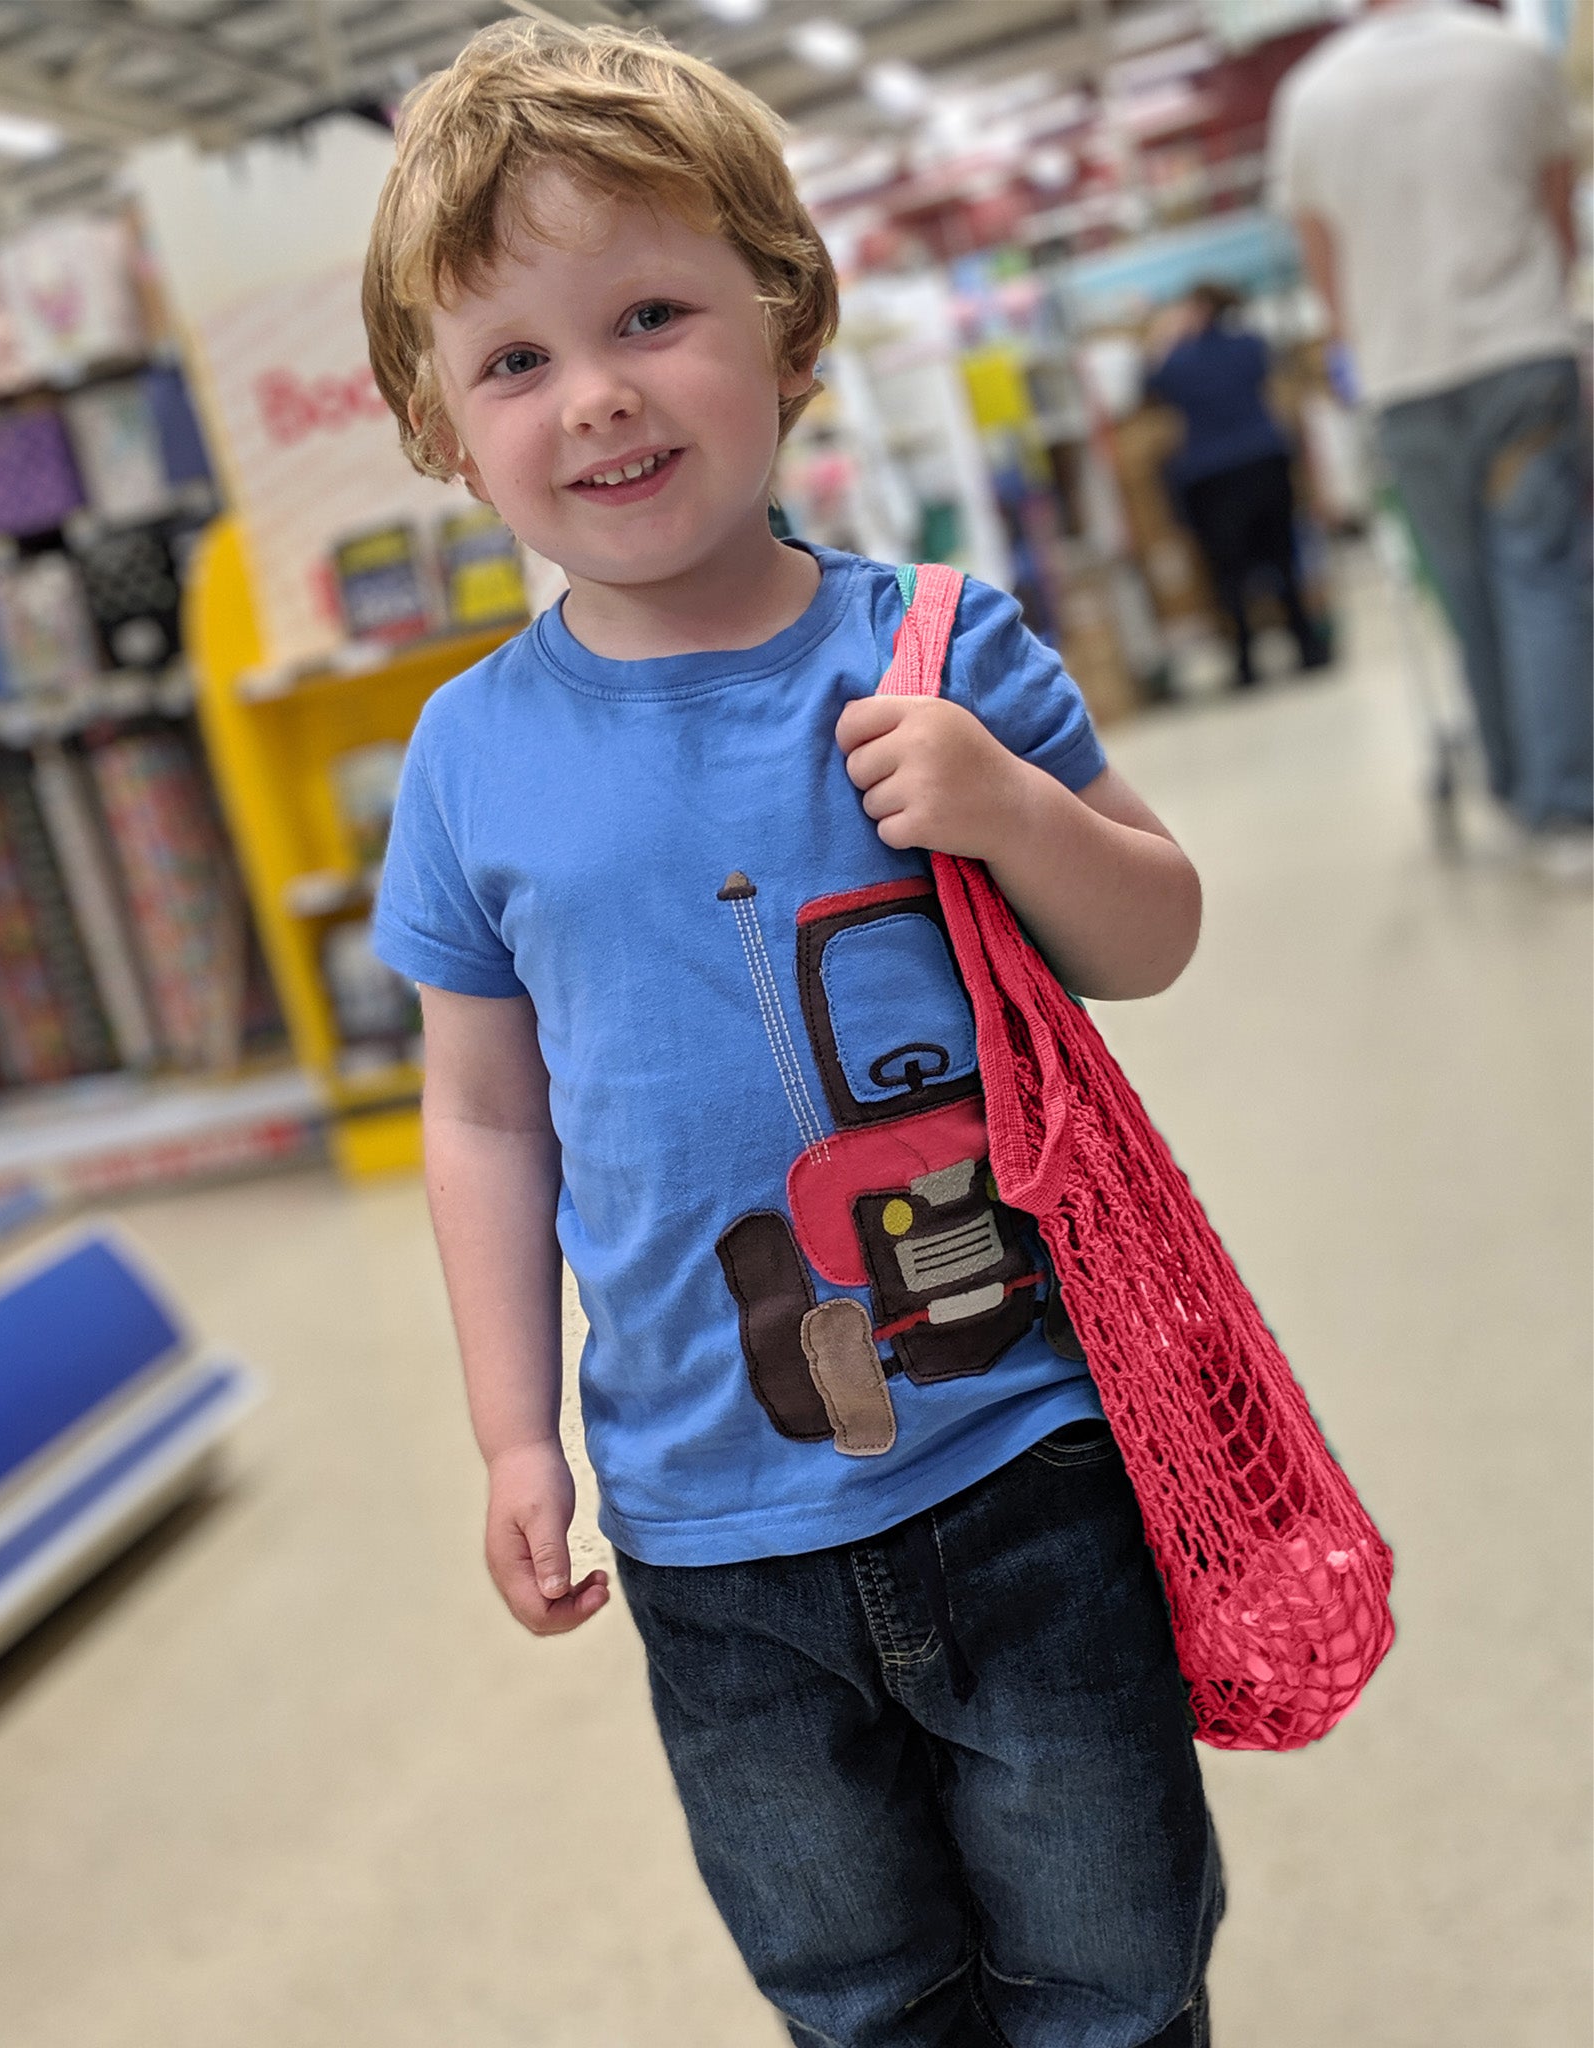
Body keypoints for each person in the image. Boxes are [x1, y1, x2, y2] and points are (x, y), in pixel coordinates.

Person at [364, 23, 1222, 2046]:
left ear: (786, 312)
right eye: (512, 359)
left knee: (1111, 1966)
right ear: (438, 422)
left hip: (1022, 1453)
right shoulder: (468, 757)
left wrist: (1008, 811)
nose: (596, 397)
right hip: (704, 1530)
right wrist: (511, 1428)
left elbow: (1154, 928)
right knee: (853, 1990)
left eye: (649, 313)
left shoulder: (932, 641)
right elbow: (484, 1115)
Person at [1269, 0, 1593, 869]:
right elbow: (1557, 208)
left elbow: (1320, 254)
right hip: (1519, 351)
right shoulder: (1508, 56)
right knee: (1541, 568)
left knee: (1462, 585)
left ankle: (1518, 786)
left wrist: (1355, 354)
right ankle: (1564, 810)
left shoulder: (1311, 95)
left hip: (1401, 377)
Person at [1144, 281, 1330, 688]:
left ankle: (1246, 663)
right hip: (1264, 460)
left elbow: (1150, 385)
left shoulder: (1178, 361)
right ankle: (1307, 647)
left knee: (1228, 575)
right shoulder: (1250, 344)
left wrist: (1166, 339)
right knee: (1284, 559)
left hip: (1210, 476)